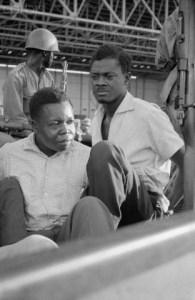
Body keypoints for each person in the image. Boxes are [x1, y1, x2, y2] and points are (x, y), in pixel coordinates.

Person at [0, 87, 114, 246]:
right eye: (55, 124)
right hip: (24, 239)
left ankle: (98, 265)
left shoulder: (87, 156)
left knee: (91, 205)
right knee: (8, 187)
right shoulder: (9, 155)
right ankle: (16, 266)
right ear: (35, 126)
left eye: (69, 121)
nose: (66, 130)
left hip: (67, 235)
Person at [88, 44, 185, 227]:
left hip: (145, 203)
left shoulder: (147, 114)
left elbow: (186, 160)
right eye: (95, 77)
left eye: (108, 76)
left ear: (126, 79)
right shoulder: (97, 118)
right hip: (113, 201)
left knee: (104, 152)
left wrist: (172, 204)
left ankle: (103, 237)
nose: (99, 82)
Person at [2, 28, 59, 136]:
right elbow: (15, 119)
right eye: (52, 53)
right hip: (20, 137)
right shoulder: (16, 77)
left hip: (42, 136)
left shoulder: (48, 78)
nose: (53, 57)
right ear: (44, 53)